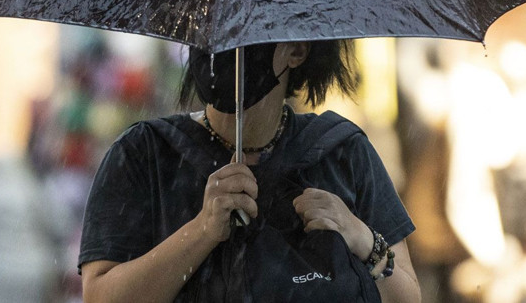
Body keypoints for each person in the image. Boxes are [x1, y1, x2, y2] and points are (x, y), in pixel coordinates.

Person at [78, 41, 420, 302]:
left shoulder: (342, 152)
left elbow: (407, 296)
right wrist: (201, 231)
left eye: (248, 33)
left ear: (296, 51)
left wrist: (359, 236)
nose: (224, 46)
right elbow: (99, 295)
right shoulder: (144, 153)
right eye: (211, 31)